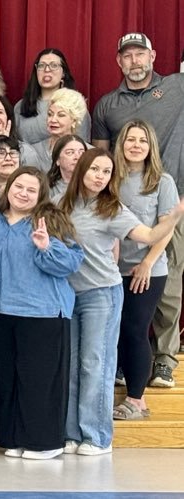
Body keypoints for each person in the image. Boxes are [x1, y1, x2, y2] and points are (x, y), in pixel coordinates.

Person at [57, 148, 183, 454]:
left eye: (106, 172)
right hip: (68, 295)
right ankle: (73, 433)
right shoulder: (64, 204)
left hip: (101, 294)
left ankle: (97, 436)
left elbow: (150, 235)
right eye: (95, 170)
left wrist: (175, 215)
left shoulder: (111, 208)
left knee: (94, 363)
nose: (100, 177)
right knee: (73, 365)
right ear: (82, 170)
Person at [90, 34, 184, 383]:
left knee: (168, 279)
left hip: (172, 198)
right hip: (124, 203)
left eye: (140, 53)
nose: (134, 60)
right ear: (118, 62)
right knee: (119, 282)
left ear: (153, 55)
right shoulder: (107, 105)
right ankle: (123, 360)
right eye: (127, 55)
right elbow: (98, 156)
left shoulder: (177, 86)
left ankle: (164, 358)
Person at [0, 166, 83, 460]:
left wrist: (46, 246)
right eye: (19, 187)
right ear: (7, 188)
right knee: (9, 378)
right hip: (1, 312)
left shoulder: (50, 220)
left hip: (43, 313)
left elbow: (72, 262)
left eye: (31, 189)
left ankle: (46, 443)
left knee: (40, 380)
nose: (23, 193)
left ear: (40, 195)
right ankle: (14, 438)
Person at [114, 120, 180, 417]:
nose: (136, 145)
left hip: (147, 270)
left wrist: (146, 264)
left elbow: (166, 228)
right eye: (131, 139)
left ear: (150, 146)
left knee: (135, 329)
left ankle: (137, 400)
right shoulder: (110, 176)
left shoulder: (161, 181)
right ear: (122, 144)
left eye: (142, 140)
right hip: (112, 269)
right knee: (116, 330)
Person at [15, 49, 88, 146]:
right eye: (42, 65)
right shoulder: (20, 107)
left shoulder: (76, 106)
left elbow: (82, 147)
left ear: (63, 73)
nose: (47, 70)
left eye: (54, 65)